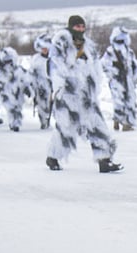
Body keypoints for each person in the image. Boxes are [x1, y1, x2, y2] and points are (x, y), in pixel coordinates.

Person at [46, 14, 122, 173]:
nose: (80, 29)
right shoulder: (61, 42)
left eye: (82, 26)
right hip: (68, 93)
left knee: (97, 125)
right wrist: (58, 86)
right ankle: (53, 157)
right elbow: (55, 65)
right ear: (70, 26)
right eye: (77, 26)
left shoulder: (88, 45)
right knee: (66, 127)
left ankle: (104, 160)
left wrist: (95, 85)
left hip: (86, 94)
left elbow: (95, 66)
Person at [100, 26, 137, 132]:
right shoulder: (110, 52)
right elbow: (104, 65)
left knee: (130, 101)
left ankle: (127, 123)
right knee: (118, 101)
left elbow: (135, 66)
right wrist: (115, 71)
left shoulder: (129, 52)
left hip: (128, 80)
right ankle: (118, 120)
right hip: (116, 80)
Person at [0, 47, 31, 132]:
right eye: (6, 61)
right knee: (10, 109)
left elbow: (25, 80)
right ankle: (13, 123)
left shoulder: (19, 70)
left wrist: (27, 89)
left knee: (18, 109)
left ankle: (16, 123)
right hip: (6, 94)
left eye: (9, 61)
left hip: (18, 94)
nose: (8, 64)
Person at [29, 34, 53, 130]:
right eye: (43, 48)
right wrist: (32, 85)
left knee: (53, 105)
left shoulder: (54, 58)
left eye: (46, 48)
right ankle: (44, 122)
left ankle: (50, 120)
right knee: (42, 106)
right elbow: (31, 73)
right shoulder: (36, 59)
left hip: (53, 86)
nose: (45, 50)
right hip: (41, 86)